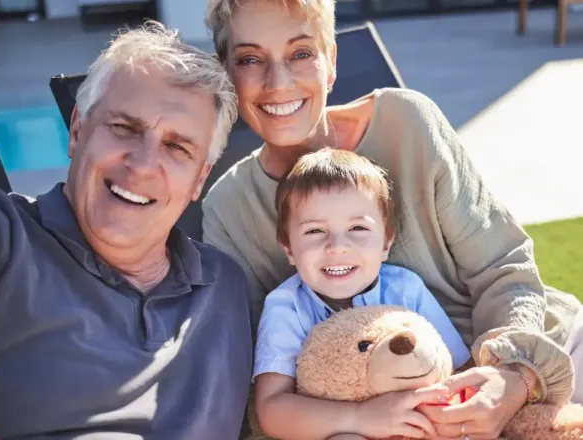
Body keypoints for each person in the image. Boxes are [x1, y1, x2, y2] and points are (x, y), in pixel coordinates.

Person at [201, 0, 583, 439]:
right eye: (250, 59)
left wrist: (513, 377)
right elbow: (257, 383)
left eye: (301, 53)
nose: (278, 81)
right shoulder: (229, 209)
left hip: (532, 349)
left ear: (331, 62)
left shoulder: (407, 122)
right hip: (381, 416)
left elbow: (502, 267)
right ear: (226, 74)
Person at [0, 22, 253, 440]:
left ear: (199, 180)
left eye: (177, 147)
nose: (143, 164)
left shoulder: (225, 286)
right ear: (77, 131)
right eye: (125, 128)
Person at [254, 148, 471, 439]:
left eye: (357, 227)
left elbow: (457, 370)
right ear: (288, 248)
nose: (337, 246)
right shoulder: (287, 306)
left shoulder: (405, 290)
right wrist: (359, 418)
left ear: (386, 242)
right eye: (315, 231)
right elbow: (272, 410)